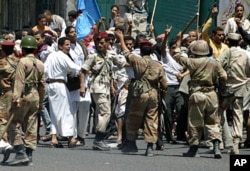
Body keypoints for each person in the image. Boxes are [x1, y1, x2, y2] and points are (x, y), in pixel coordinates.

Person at [115, 30, 168, 157]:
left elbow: (125, 52)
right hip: (154, 94)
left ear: (141, 51)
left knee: (133, 118)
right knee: (152, 119)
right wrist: (163, 93)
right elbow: (164, 83)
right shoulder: (158, 65)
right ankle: (150, 147)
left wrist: (121, 38)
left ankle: (132, 144)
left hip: (139, 93)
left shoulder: (137, 61)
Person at [173, 40, 227, 159]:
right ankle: (216, 146)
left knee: (195, 122)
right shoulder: (215, 62)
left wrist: (178, 43)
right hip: (211, 94)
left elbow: (177, 56)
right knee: (213, 122)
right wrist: (221, 87)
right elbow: (224, 76)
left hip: (197, 94)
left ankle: (193, 149)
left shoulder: (191, 61)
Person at [82, 32, 126, 151]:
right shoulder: (93, 55)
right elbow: (83, 70)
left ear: (107, 43)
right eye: (97, 42)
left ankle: (100, 139)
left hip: (106, 87)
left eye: (102, 43)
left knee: (102, 113)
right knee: (105, 112)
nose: (99, 45)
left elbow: (121, 64)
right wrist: (82, 86)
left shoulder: (110, 54)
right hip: (97, 87)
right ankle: (98, 139)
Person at [6, 36, 45, 166]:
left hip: (24, 95)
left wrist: (16, 97)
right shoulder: (40, 63)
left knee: (14, 123)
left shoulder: (22, 62)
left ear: (23, 48)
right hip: (35, 95)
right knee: (31, 125)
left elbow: (19, 81)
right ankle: (29, 154)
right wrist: (40, 101)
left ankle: (20, 152)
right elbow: (42, 84)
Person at [44, 37, 82, 148]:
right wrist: (85, 69)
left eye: (69, 44)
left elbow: (45, 70)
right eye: (66, 44)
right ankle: (70, 138)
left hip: (51, 85)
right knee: (66, 111)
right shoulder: (62, 56)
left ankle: (54, 138)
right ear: (60, 46)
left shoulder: (51, 56)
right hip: (60, 85)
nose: (68, 46)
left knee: (54, 112)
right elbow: (73, 67)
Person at [217, 33, 250, 155]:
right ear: (239, 41)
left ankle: (219, 140)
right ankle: (235, 144)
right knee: (238, 115)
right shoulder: (245, 54)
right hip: (240, 88)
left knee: (220, 112)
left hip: (226, 88)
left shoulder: (226, 53)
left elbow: (218, 66)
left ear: (227, 41)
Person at [65, 26, 91, 145]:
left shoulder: (81, 46)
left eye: (75, 31)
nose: (74, 33)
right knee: (73, 110)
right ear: (67, 35)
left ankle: (81, 134)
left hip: (85, 79)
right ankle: (73, 135)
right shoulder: (66, 47)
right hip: (73, 81)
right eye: (71, 32)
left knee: (85, 106)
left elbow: (87, 60)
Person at [0, 40, 18, 164]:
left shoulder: (2, 62)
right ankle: (15, 144)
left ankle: (4, 144)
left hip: (6, 93)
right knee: (14, 120)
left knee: (2, 119)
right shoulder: (19, 61)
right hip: (18, 93)